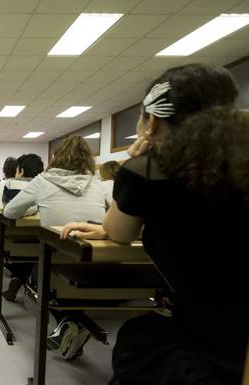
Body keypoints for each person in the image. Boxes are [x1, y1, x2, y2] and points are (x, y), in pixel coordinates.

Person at [61, 64, 249, 385]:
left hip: (214, 349)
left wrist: (132, 164)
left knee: (139, 342)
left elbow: (119, 232)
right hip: (236, 342)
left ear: (152, 121)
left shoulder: (150, 170)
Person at [3, 136, 106, 360]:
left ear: (56, 158)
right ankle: (71, 323)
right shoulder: (98, 183)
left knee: (37, 271)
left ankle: (67, 322)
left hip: (56, 266)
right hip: (103, 264)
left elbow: (10, 212)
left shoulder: (44, 180)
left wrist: (37, 209)